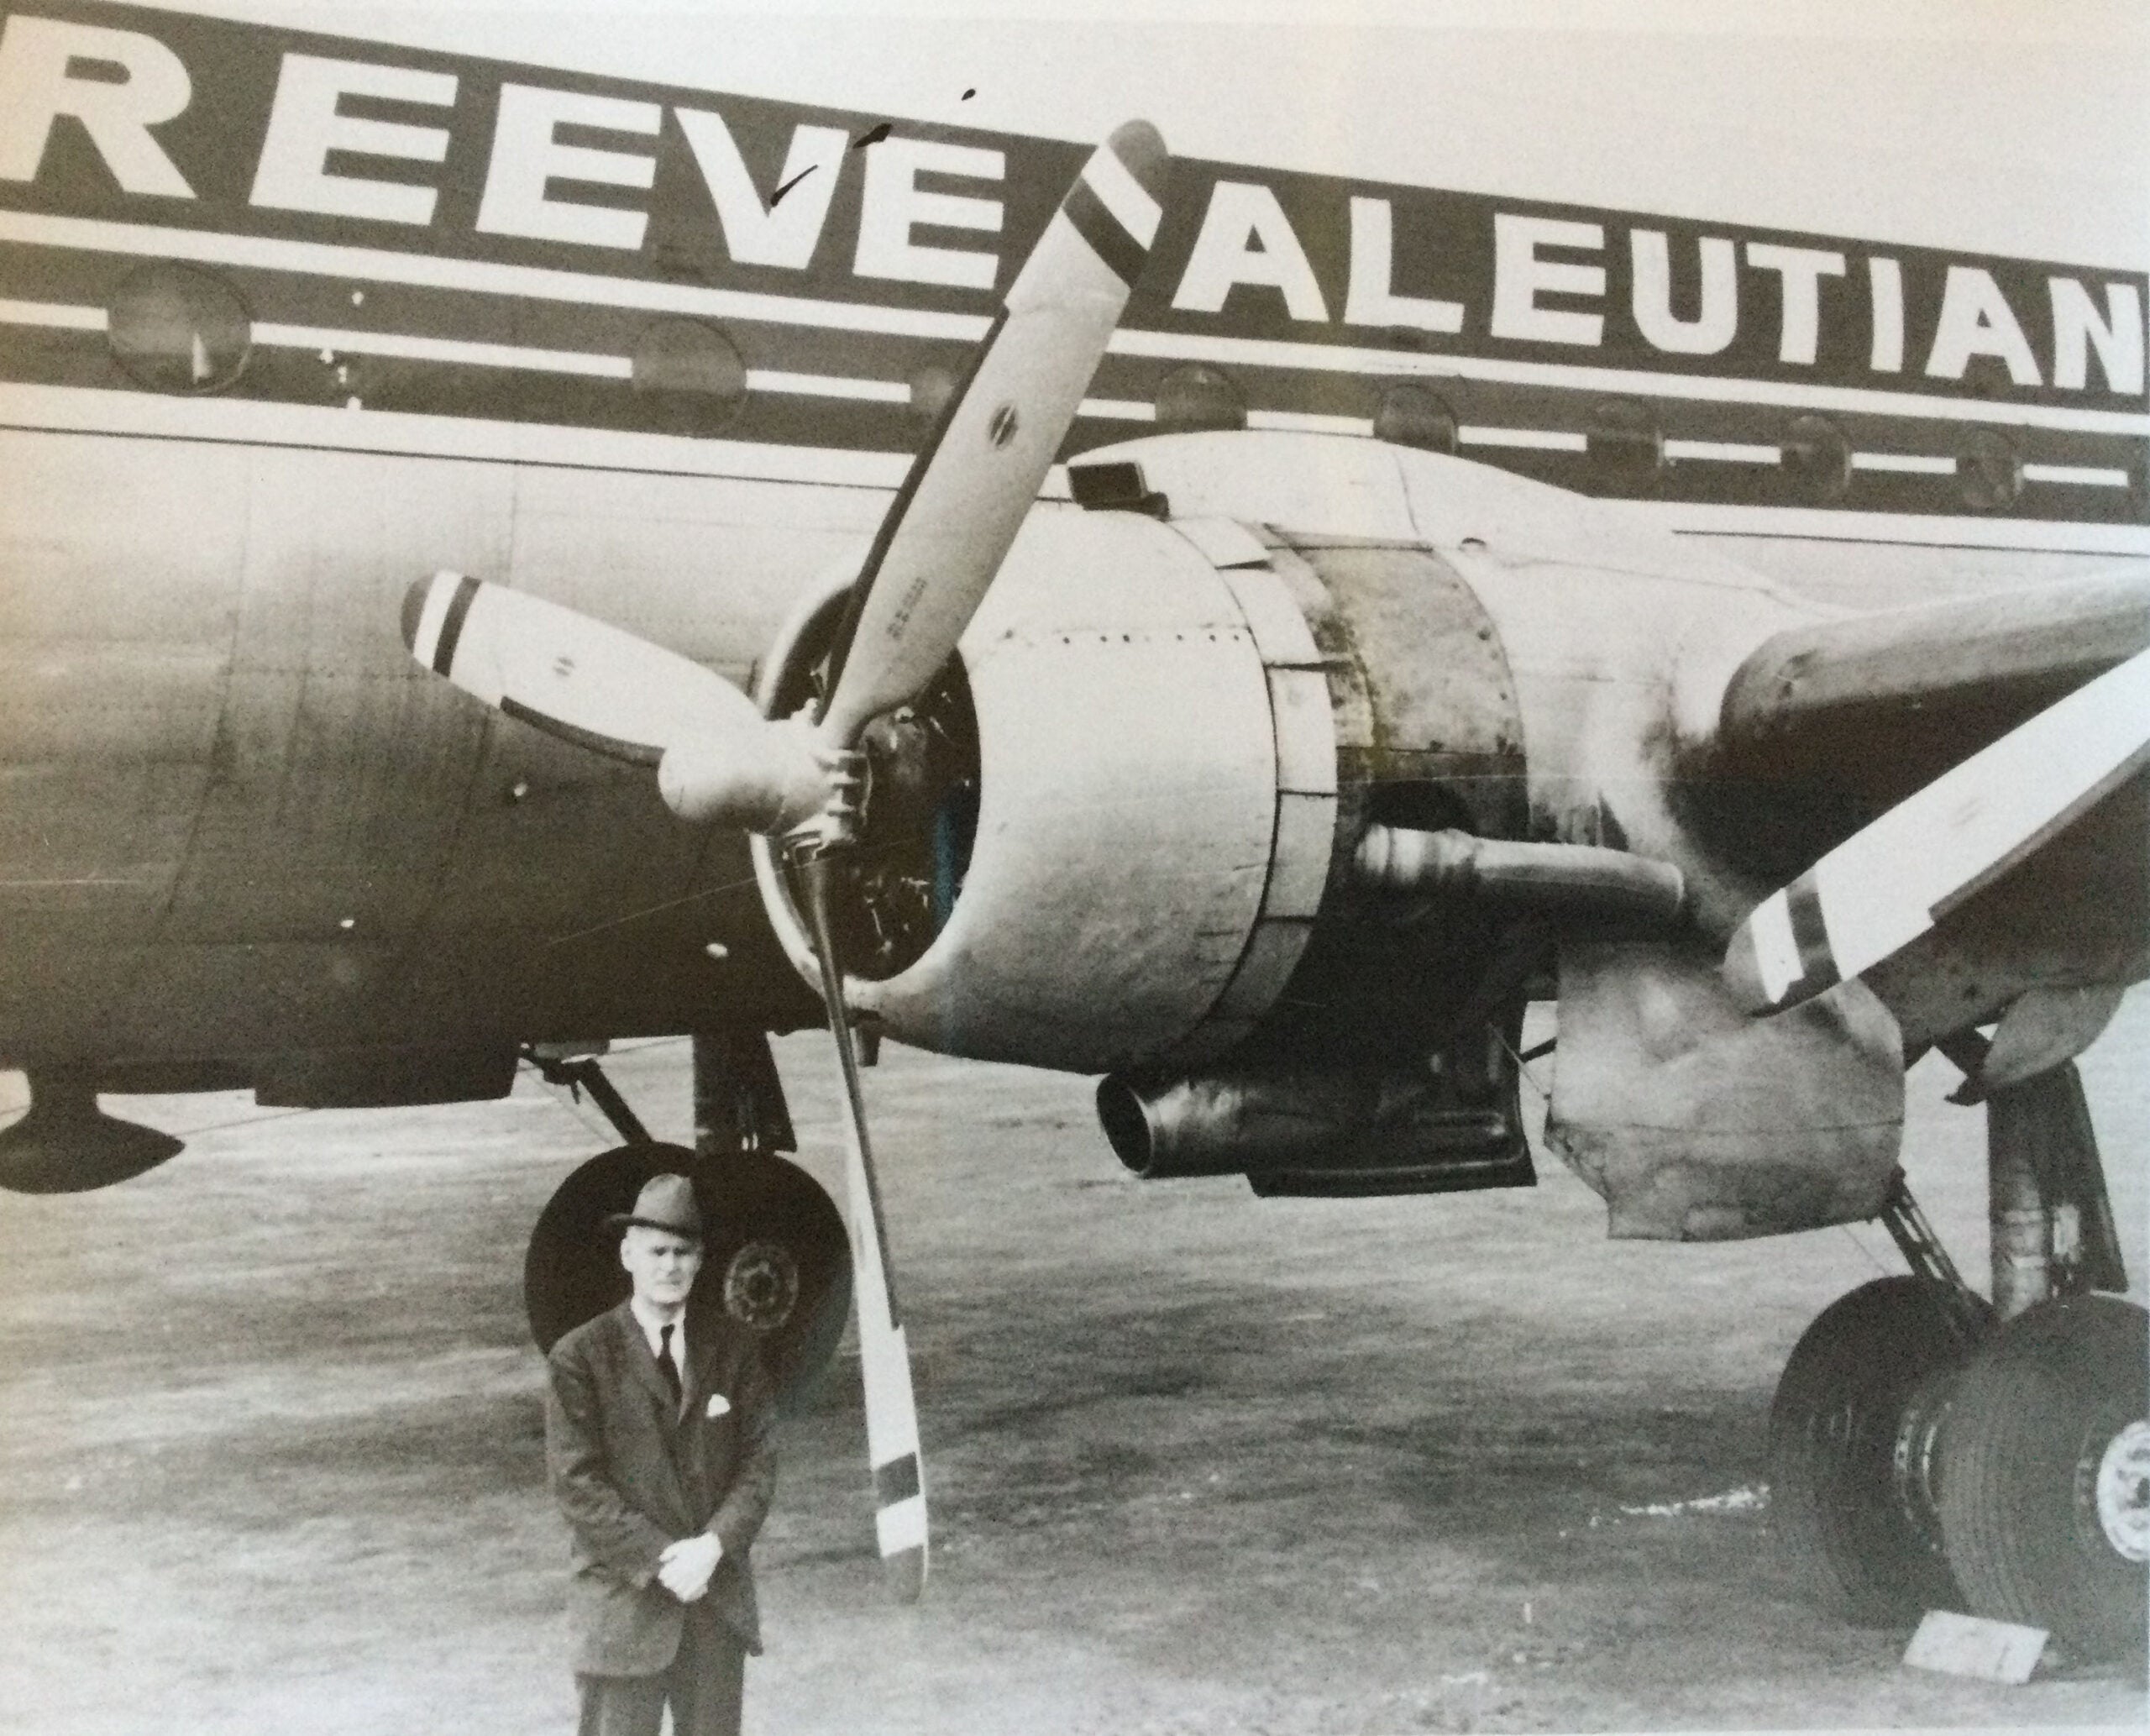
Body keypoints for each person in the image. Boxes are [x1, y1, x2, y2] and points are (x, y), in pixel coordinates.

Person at [543, 1173, 777, 1736]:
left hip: (713, 1608)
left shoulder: (735, 1349)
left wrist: (714, 1545)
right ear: (628, 1255)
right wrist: (667, 1560)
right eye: (657, 1251)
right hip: (624, 1610)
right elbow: (579, 1485)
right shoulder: (580, 1356)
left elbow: (759, 1463)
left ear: (700, 1262)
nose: (670, 1265)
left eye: (683, 1252)